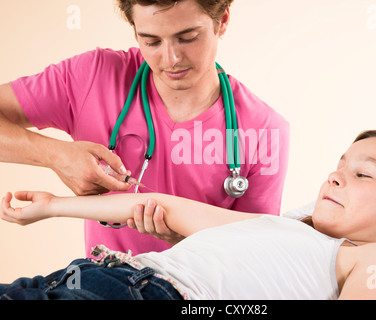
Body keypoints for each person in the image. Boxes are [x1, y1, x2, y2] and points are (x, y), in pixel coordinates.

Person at [1, 130, 376, 300]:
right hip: (83, 277)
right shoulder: (279, 228)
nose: (334, 177)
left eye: (362, 174)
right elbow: (166, 207)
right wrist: (52, 207)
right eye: (339, 165)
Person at [0, 0, 289, 255]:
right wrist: (55, 155)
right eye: (151, 41)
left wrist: (186, 236)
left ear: (222, 20)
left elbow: (257, 257)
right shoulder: (93, 77)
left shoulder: (265, 130)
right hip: (99, 285)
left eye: (187, 37)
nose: (171, 58)